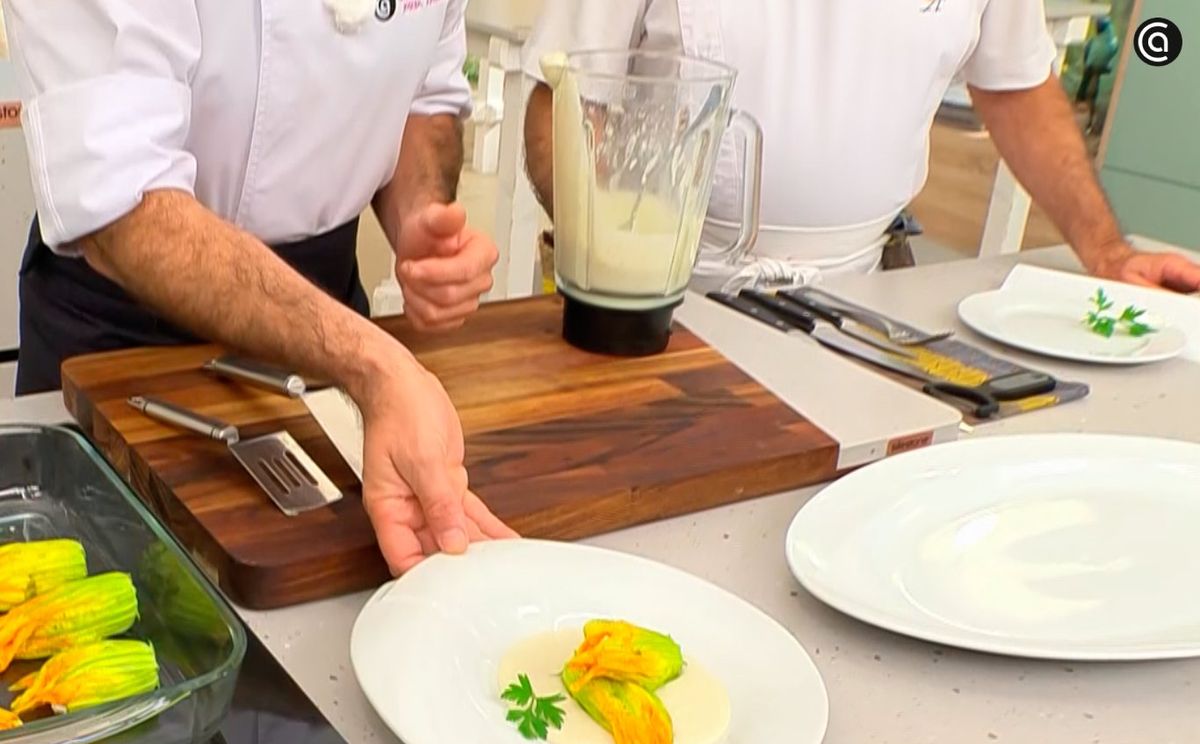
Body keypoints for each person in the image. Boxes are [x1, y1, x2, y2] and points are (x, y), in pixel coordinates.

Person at [3, 0, 517, 574]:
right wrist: (371, 362)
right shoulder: (363, 361)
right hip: (118, 342)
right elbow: (123, 203)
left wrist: (419, 211)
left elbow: (426, 96)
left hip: (328, 354)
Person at [522, 1, 1200, 294]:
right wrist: (612, 276)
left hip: (864, 304)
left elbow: (1016, 83)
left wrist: (1107, 250)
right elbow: (565, 94)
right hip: (667, 295)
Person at [1076, 16, 1120, 134]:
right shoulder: (1109, 40)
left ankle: (1091, 123)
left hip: (1098, 72)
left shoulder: (1108, 41)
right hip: (1095, 71)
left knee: (1092, 95)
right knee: (1091, 94)